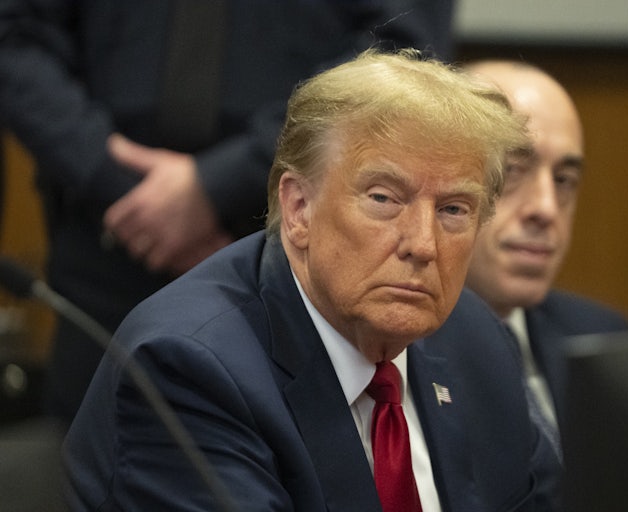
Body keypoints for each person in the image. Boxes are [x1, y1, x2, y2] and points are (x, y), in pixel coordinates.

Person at [64, 49, 561, 511]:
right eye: (384, 199)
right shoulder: (189, 369)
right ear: (299, 208)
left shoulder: (478, 344)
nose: (423, 245)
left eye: (454, 209)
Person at [0, 1, 454, 423]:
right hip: (108, 243)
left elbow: (400, 45)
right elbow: (14, 36)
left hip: (302, 245)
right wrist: (112, 178)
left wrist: (223, 182)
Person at [463, 60, 628, 431]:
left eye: (564, 179)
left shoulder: (604, 342)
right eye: (511, 171)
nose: (546, 208)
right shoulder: (394, 359)